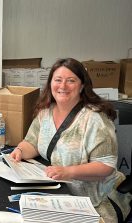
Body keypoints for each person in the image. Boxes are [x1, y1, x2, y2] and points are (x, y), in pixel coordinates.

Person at [10, 58, 132, 222]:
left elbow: (106, 166)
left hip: (96, 202)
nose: (62, 86)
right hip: (60, 193)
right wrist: (19, 151)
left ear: (82, 86)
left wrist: (68, 172)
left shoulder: (96, 119)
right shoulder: (45, 112)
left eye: (71, 81)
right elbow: (32, 142)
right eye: (58, 80)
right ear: (50, 83)